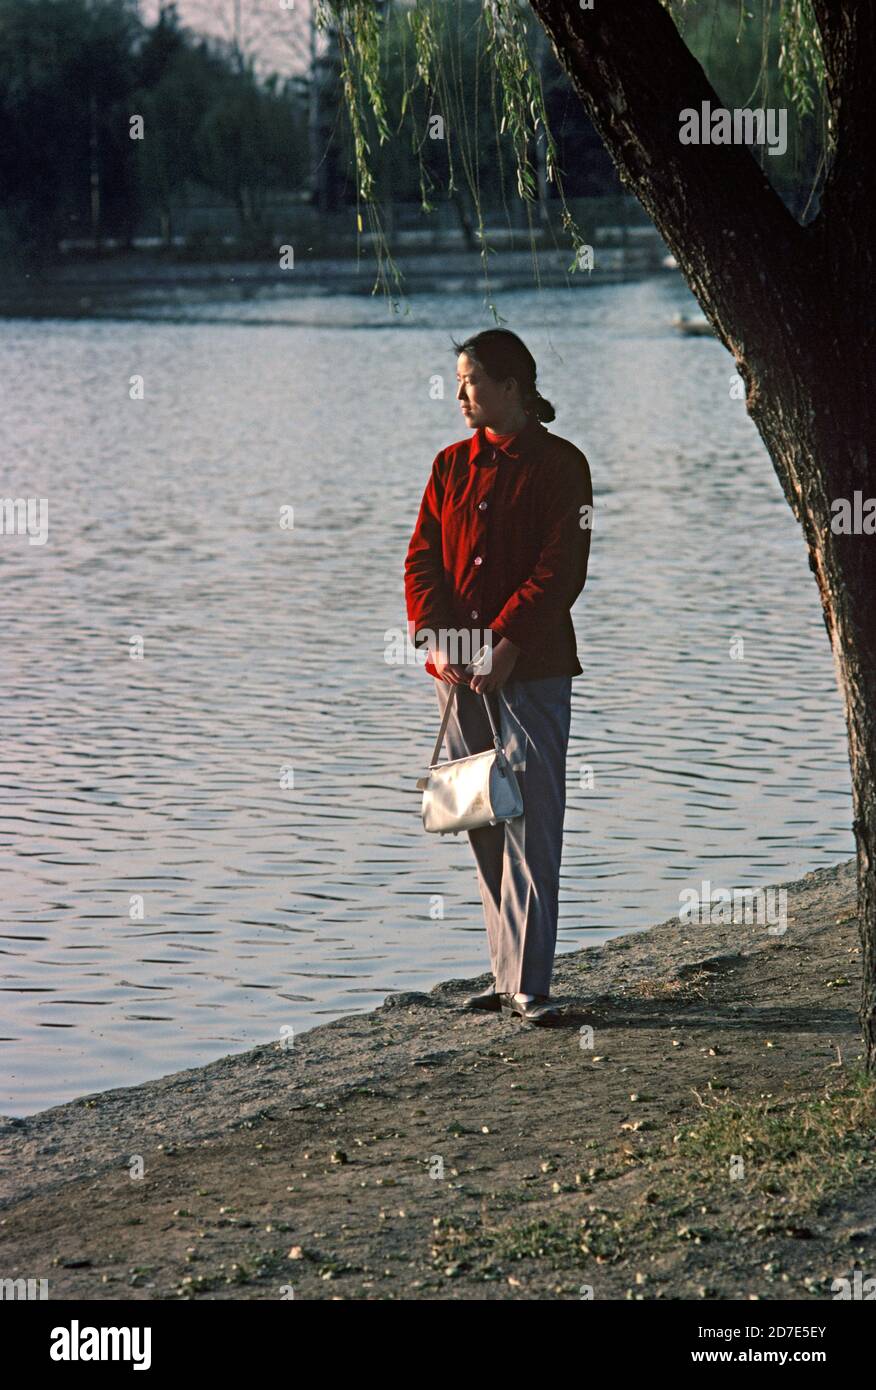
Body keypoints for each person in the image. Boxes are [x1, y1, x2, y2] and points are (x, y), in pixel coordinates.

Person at [404, 328, 594, 1025]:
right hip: (458, 676)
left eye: (472, 380)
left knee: (533, 823)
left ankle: (533, 986)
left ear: (513, 386)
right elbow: (421, 559)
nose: (459, 394)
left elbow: (562, 567)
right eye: (458, 381)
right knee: (479, 815)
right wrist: (441, 637)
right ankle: (504, 975)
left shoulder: (562, 465)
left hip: (533, 670)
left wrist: (508, 643)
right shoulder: (450, 465)